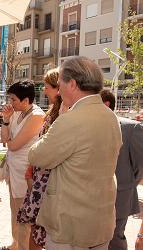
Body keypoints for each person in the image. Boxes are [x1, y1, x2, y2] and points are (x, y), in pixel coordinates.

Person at [28, 56, 122, 250]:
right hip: (101, 221)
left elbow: (36, 156)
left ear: (72, 84)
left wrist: (59, 123)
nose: (58, 88)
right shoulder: (111, 117)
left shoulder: (70, 120)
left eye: (60, 81)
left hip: (71, 225)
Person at [17, 68, 65, 250]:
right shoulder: (54, 110)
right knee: (36, 227)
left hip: (47, 180)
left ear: (57, 88)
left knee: (40, 228)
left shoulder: (63, 114)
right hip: (40, 176)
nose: (44, 91)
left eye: (46, 87)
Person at [0, 80, 45, 250]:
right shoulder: (18, 112)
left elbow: (13, 145)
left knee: (24, 214)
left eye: (13, 99)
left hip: (25, 172)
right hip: (14, 170)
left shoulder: (36, 116)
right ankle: (16, 244)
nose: (10, 103)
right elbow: (5, 140)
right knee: (15, 210)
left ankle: (23, 246)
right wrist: (5, 120)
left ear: (26, 100)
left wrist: (10, 141)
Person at [100, 89, 143, 250]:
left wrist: (128, 182)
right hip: (91, 196)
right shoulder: (88, 126)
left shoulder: (130, 128)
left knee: (115, 239)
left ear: (106, 104)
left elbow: (141, 164)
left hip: (119, 197)